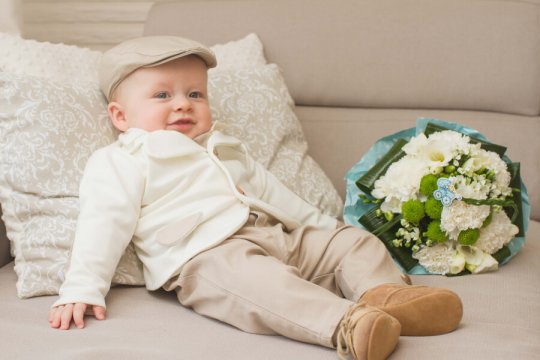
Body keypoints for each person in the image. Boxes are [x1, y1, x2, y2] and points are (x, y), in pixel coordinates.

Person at [49, 36, 463, 360]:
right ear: (121, 116)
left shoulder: (224, 145)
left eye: (195, 94)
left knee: (351, 241)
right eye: (162, 96)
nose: (183, 106)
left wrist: (324, 228)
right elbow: (104, 221)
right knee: (263, 288)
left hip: (273, 234)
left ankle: (385, 295)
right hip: (205, 255)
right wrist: (83, 287)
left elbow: (275, 193)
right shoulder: (123, 159)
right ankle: (350, 325)